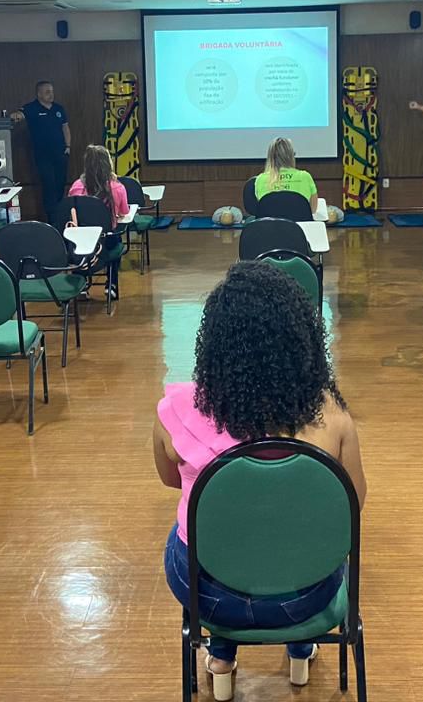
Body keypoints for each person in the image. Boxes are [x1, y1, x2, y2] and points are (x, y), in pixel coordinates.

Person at [153, 262, 367, 701]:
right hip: (305, 597)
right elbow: (352, 508)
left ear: (214, 343)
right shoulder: (332, 418)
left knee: (205, 536)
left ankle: (221, 654)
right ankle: (301, 647)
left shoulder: (176, 411)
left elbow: (171, 481)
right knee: (296, 545)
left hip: (207, 595)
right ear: (302, 341)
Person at [66, 145, 129, 300]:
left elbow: (70, 212)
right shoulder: (117, 187)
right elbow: (124, 212)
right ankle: (111, 284)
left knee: (76, 244)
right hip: (106, 242)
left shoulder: (76, 187)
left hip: (81, 242)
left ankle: (81, 286)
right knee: (117, 240)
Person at [15, 80, 71, 220]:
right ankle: (51, 217)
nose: (51, 94)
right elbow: (19, 114)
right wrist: (15, 115)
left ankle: (60, 212)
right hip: (43, 156)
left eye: (52, 91)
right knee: (48, 185)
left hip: (60, 153)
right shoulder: (32, 108)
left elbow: (65, 128)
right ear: (39, 94)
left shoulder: (58, 109)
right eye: (47, 92)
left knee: (60, 184)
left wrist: (68, 146)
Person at [253, 137, 319, 214]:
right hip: (298, 222)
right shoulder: (305, 177)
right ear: (291, 156)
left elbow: (262, 210)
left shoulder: (260, 179)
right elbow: (313, 210)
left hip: (270, 222)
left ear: (270, 157)